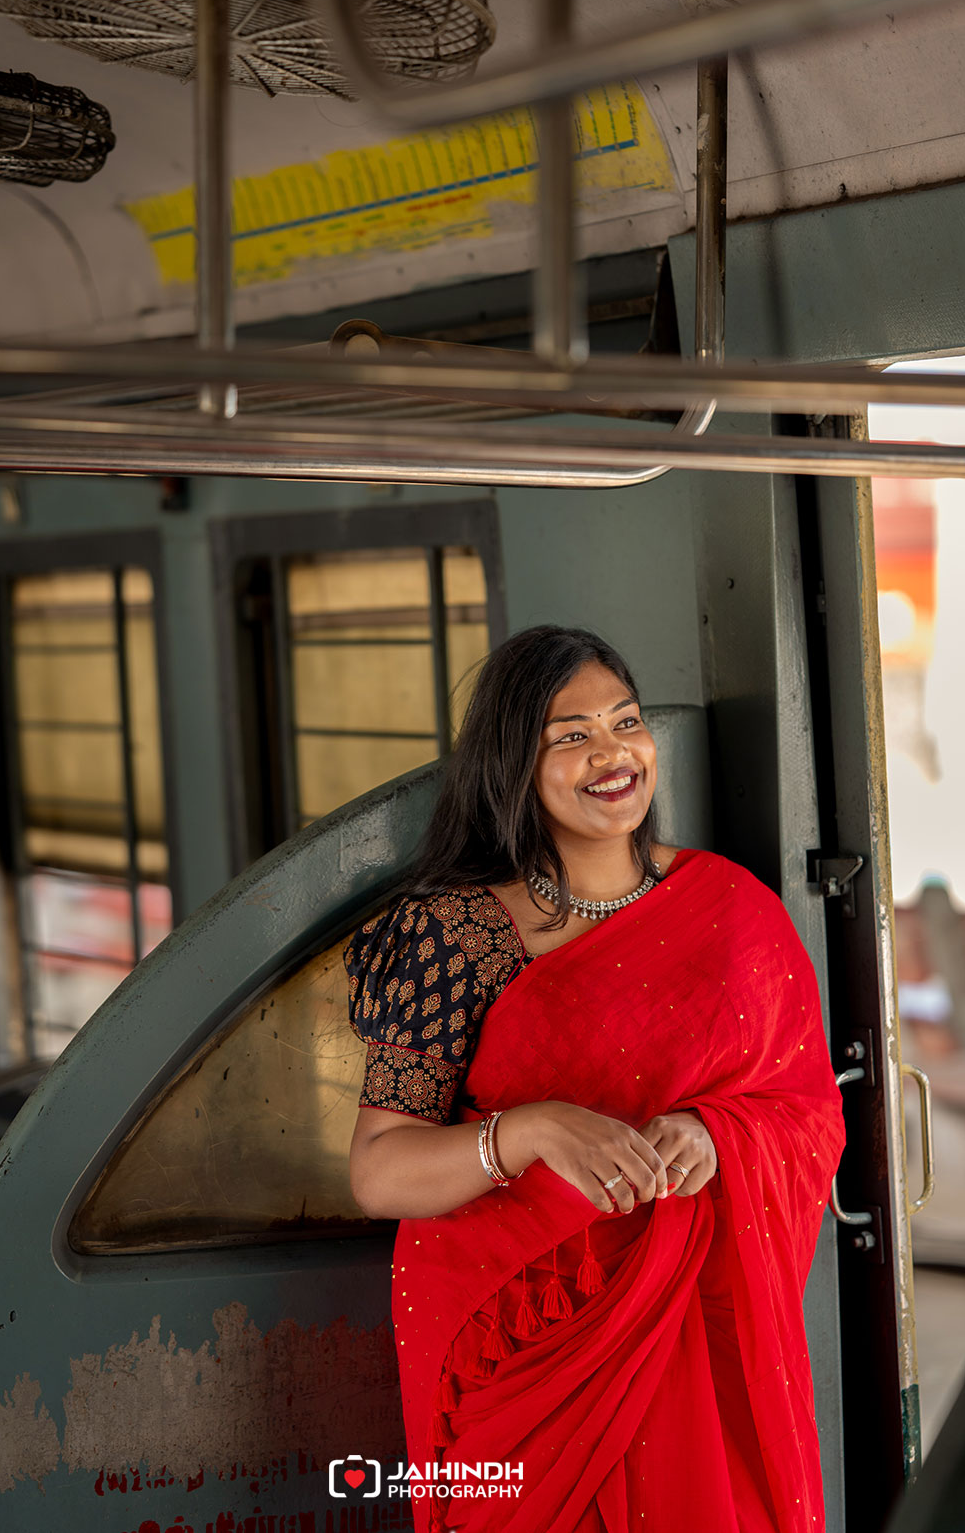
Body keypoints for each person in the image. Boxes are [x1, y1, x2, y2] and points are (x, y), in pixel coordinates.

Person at [344, 625, 846, 1533]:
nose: (612, 754)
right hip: (521, 1346)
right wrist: (528, 1131)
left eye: (625, 721)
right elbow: (381, 1171)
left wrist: (714, 1132)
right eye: (571, 736)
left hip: (693, 1333)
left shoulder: (733, 911)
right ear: (514, 766)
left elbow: (804, 1111)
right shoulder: (457, 937)